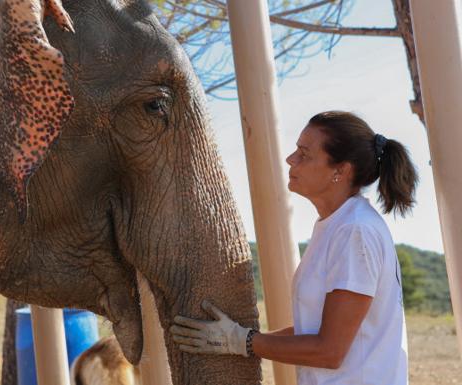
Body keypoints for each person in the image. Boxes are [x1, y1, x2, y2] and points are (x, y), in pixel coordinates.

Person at [170, 111, 417, 385]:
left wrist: (244, 342)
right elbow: (314, 330)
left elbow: (330, 351)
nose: (291, 159)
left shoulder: (354, 231)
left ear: (341, 170)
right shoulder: (337, 225)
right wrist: (237, 337)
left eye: (304, 154)